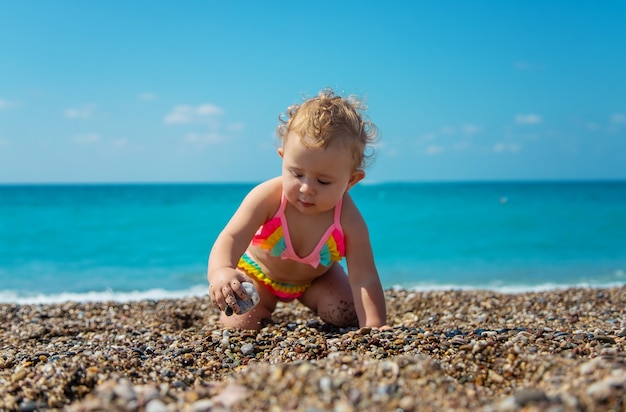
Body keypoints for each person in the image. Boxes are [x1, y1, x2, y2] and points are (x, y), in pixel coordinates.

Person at [207, 88, 387, 330]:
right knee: (240, 325)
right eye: (297, 173)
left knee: (347, 315)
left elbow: (364, 277)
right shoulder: (269, 196)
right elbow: (232, 236)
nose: (306, 188)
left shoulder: (347, 217)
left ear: (351, 181)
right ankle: (260, 311)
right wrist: (221, 270)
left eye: (323, 181)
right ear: (282, 158)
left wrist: (374, 327)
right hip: (261, 276)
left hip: (316, 280)